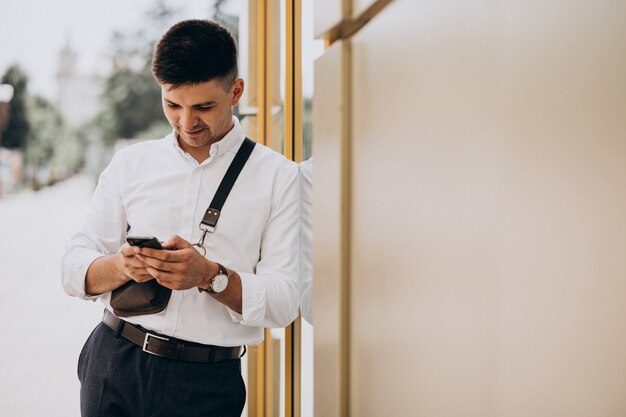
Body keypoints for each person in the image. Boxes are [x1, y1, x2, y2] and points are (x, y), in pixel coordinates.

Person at [61, 19, 299, 417]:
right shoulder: (131, 164)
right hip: (113, 361)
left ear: (236, 91)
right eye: (173, 105)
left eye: (204, 106)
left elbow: (285, 302)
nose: (187, 123)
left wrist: (210, 276)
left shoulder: (280, 178)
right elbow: (72, 270)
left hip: (205, 384)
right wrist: (121, 265)